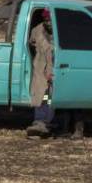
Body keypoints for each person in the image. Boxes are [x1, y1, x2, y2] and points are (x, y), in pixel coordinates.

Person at [26, 8, 56, 137]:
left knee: (49, 97)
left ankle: (46, 121)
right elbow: (32, 45)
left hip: (54, 68)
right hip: (40, 67)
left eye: (50, 20)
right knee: (40, 95)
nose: (48, 23)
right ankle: (39, 121)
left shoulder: (59, 32)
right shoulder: (37, 31)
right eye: (46, 20)